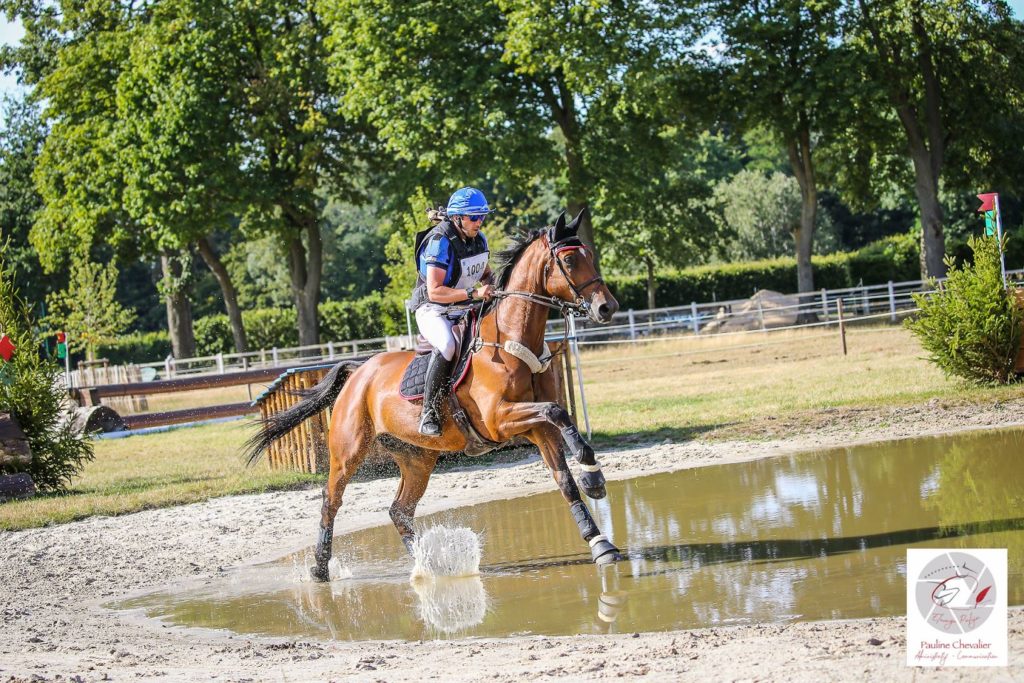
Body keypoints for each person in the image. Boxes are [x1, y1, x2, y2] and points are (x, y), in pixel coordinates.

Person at [412, 187, 496, 436]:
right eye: (474, 217)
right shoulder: (439, 243)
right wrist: (474, 294)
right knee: (448, 344)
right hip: (432, 309)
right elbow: (436, 291)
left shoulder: (478, 239)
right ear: (457, 218)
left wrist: (492, 285)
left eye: (482, 216)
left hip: (463, 307)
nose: (479, 222)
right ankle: (429, 411)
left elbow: (485, 273)